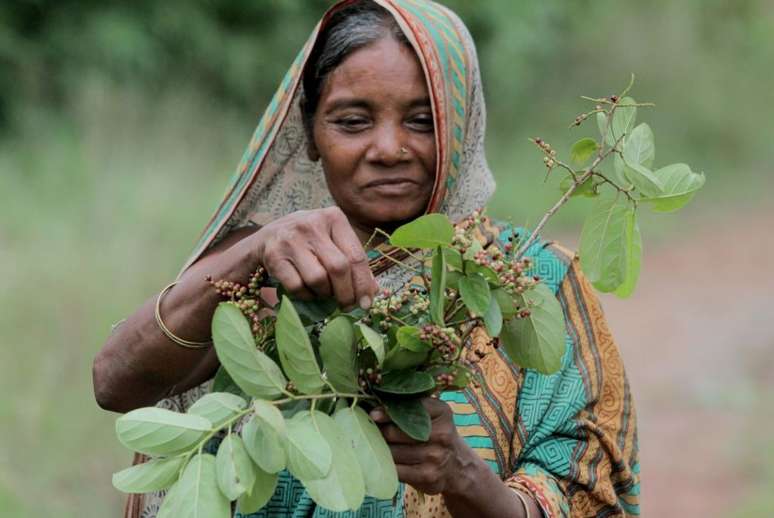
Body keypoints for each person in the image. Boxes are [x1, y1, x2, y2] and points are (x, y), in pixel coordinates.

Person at [92, 1, 640, 516]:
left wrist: (462, 475)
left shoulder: (525, 278)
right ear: (309, 132)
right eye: (353, 121)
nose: (388, 149)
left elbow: (588, 492)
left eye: (422, 121)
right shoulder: (262, 270)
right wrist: (250, 254)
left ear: (464, 127)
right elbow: (115, 384)